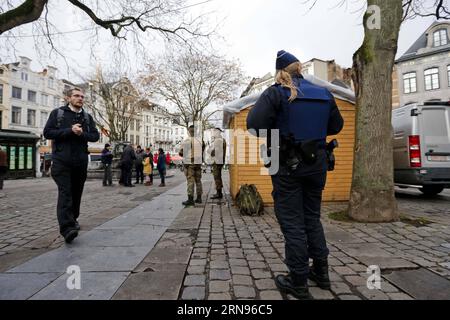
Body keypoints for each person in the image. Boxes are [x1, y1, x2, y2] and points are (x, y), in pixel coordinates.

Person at [247, 50, 344, 299]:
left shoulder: (276, 93)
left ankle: (298, 280)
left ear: (280, 72)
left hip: (286, 165)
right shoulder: (323, 93)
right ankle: (321, 273)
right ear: (299, 68)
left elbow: (254, 125)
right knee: (312, 217)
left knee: (292, 222)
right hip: (317, 165)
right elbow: (336, 126)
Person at [43, 88, 100, 243]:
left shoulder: (87, 117)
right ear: (68, 98)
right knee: (65, 193)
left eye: (82, 96)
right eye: (76, 96)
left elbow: (95, 136)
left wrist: (82, 134)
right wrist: (69, 131)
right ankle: (67, 228)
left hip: (80, 162)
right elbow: (47, 133)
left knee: (76, 194)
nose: (80, 98)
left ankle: (73, 219)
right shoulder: (58, 114)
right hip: (62, 162)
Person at [179, 124, 205, 206]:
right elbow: (203, 149)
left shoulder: (187, 141)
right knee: (198, 180)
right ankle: (199, 198)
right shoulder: (200, 140)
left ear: (189, 132)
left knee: (190, 180)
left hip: (190, 163)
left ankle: (190, 199)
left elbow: (181, 153)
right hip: (198, 162)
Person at [208, 128, 227, 199]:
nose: (213, 133)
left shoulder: (218, 141)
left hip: (217, 161)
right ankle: (219, 192)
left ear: (217, 133)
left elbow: (214, 152)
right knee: (218, 176)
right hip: (220, 161)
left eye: (214, 132)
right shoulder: (222, 140)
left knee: (217, 177)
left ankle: (219, 193)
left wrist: (209, 150)